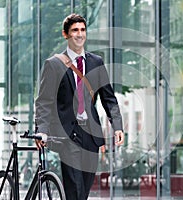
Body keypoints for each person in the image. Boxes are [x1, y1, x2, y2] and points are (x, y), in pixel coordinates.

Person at [34, 13, 124, 200]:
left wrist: (117, 126)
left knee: (84, 188)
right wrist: (41, 129)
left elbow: (109, 98)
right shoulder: (54, 64)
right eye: (75, 30)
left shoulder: (96, 62)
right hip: (68, 135)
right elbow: (44, 101)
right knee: (74, 187)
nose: (79, 34)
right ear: (65, 34)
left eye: (82, 30)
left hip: (91, 135)